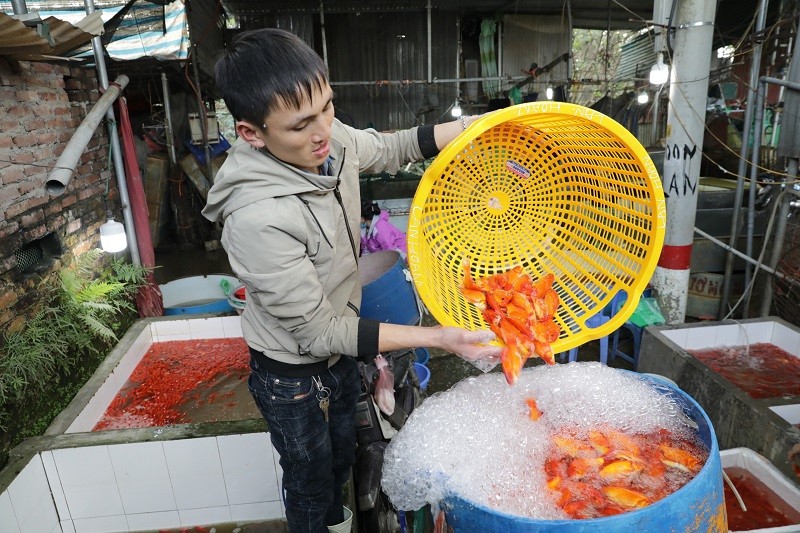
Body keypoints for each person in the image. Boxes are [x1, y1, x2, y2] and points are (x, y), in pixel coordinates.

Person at [202, 28, 499, 533]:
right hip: (291, 375)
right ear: (252, 132)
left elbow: (392, 147)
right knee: (312, 485)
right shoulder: (256, 220)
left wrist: (479, 124)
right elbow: (317, 333)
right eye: (300, 125)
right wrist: (440, 337)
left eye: (327, 107)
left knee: (343, 459)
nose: (323, 132)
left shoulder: (327, 142)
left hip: (343, 346)